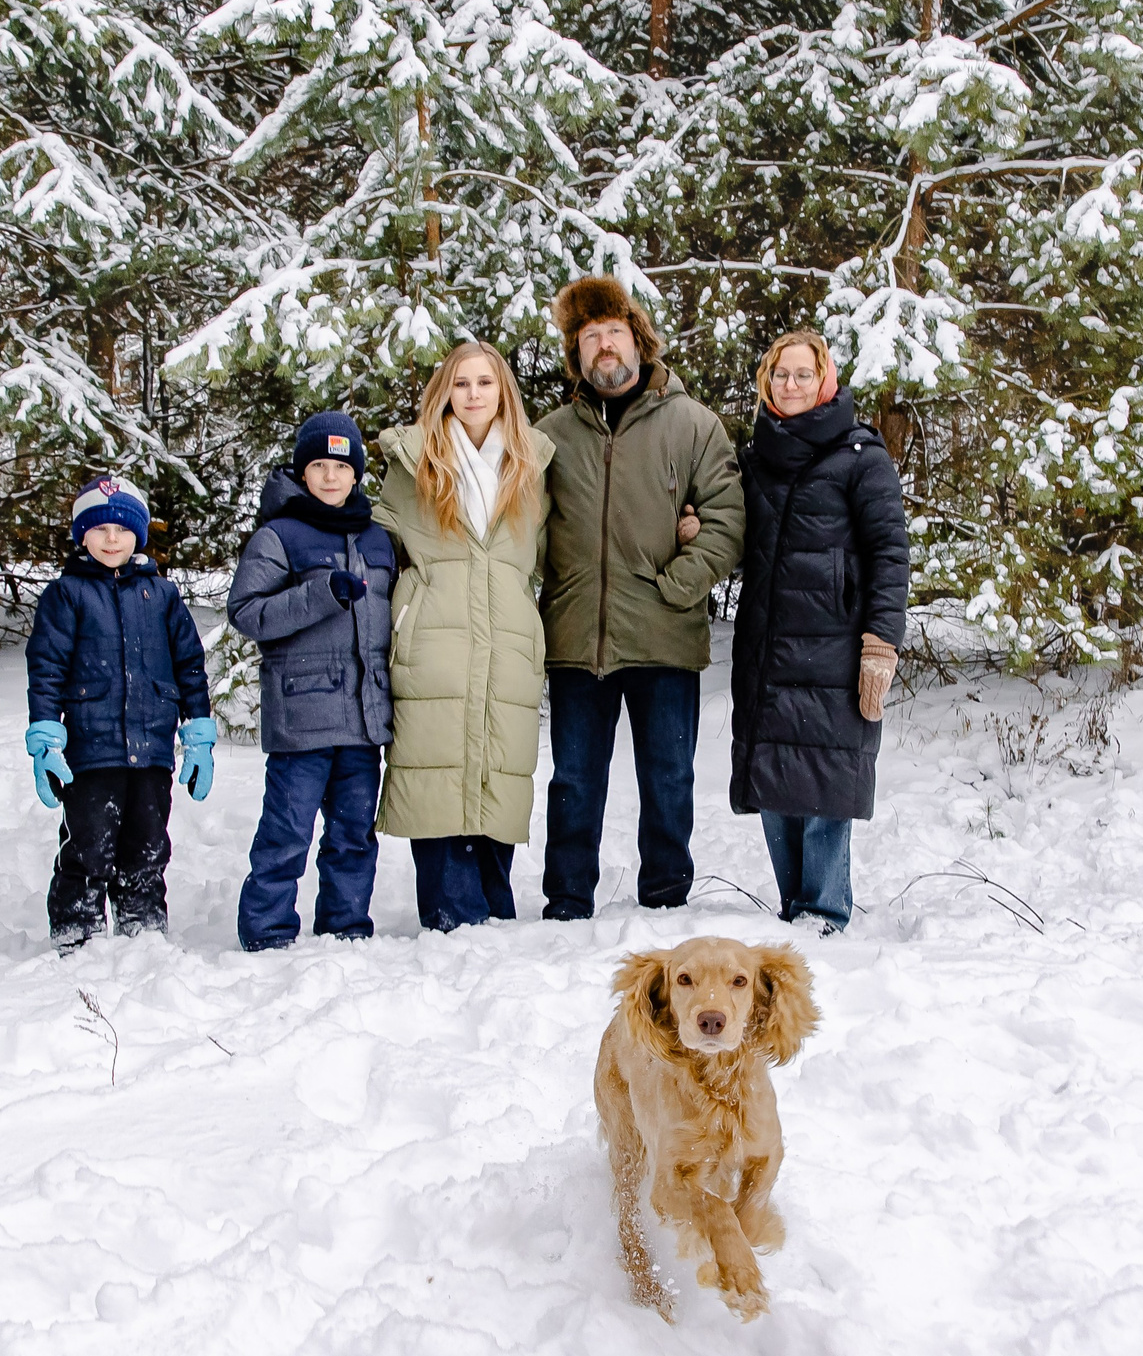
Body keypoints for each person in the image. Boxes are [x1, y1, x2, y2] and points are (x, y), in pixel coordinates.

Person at [532, 276, 744, 921]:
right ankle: (567, 900)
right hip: (576, 635)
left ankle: (665, 896)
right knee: (573, 781)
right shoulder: (550, 434)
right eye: (589, 337)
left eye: (613, 333)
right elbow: (523, 525)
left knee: (668, 777)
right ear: (577, 353)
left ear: (638, 340)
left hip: (663, 635)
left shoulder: (693, 425)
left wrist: (677, 587)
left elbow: (728, 517)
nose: (603, 347)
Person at [728, 331, 908, 932]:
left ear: (826, 381)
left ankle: (825, 909)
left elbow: (890, 553)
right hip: (768, 644)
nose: (792, 385)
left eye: (804, 375)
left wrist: (881, 642)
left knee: (827, 781)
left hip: (834, 646)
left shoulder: (861, 457)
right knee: (774, 778)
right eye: (781, 375)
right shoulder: (755, 459)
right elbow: (736, 544)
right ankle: (793, 907)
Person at [372, 341, 556, 931]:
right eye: (461, 384)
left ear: (503, 390)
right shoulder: (412, 462)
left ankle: (493, 911)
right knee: (438, 770)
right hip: (434, 641)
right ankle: (451, 915)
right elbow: (373, 543)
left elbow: (555, 555)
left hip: (506, 644)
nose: (473, 395)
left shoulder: (532, 469)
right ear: (444, 392)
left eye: (485, 383)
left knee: (496, 771)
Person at [227, 413, 397, 951]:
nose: (329, 477)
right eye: (319, 466)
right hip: (302, 720)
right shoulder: (279, 535)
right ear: (303, 473)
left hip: (362, 721)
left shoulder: (378, 539)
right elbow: (248, 612)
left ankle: (345, 928)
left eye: (341, 466)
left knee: (353, 836)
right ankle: (267, 932)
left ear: (356, 475)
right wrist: (321, 593)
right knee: (287, 834)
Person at [25, 475, 216, 950]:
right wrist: (46, 736)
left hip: (151, 751)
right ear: (81, 535)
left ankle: (143, 930)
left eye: (123, 530)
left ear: (139, 536)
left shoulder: (163, 596)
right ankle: (77, 931)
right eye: (100, 529)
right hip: (91, 753)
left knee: (148, 847)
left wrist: (197, 733)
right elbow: (46, 668)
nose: (112, 540)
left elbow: (190, 666)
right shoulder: (66, 596)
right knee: (88, 847)